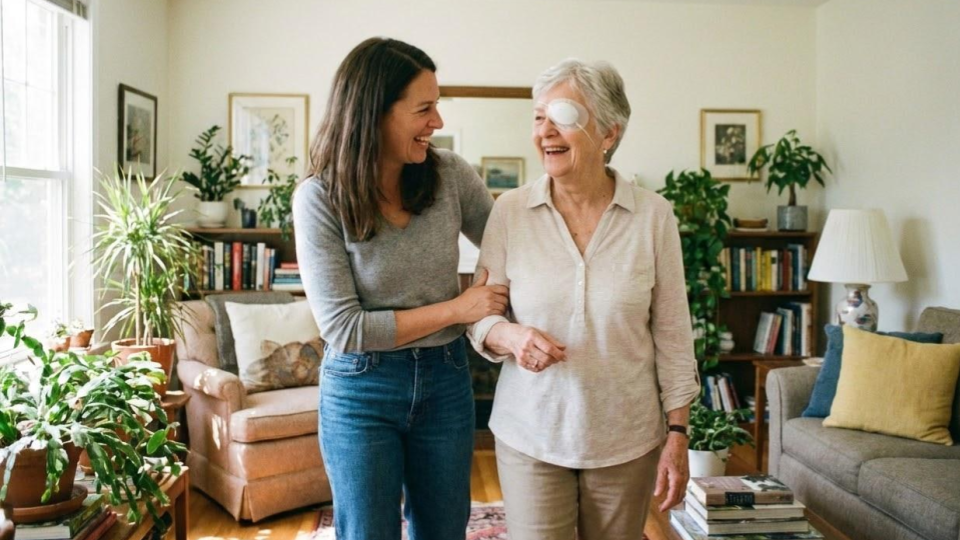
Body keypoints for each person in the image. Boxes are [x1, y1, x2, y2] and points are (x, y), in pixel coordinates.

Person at [467, 59, 700, 540]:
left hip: (626, 440)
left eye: (563, 116)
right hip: (530, 433)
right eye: (538, 117)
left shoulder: (654, 217)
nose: (545, 131)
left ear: (609, 132)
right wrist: (511, 336)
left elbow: (674, 335)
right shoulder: (509, 211)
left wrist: (677, 434)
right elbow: (479, 317)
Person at [293, 37, 508, 540]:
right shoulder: (319, 198)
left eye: (438, 106)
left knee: (443, 531)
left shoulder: (450, 175)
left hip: (446, 378)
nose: (437, 121)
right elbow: (345, 329)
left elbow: (511, 246)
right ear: (375, 113)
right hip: (361, 389)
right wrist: (458, 309)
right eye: (424, 109)